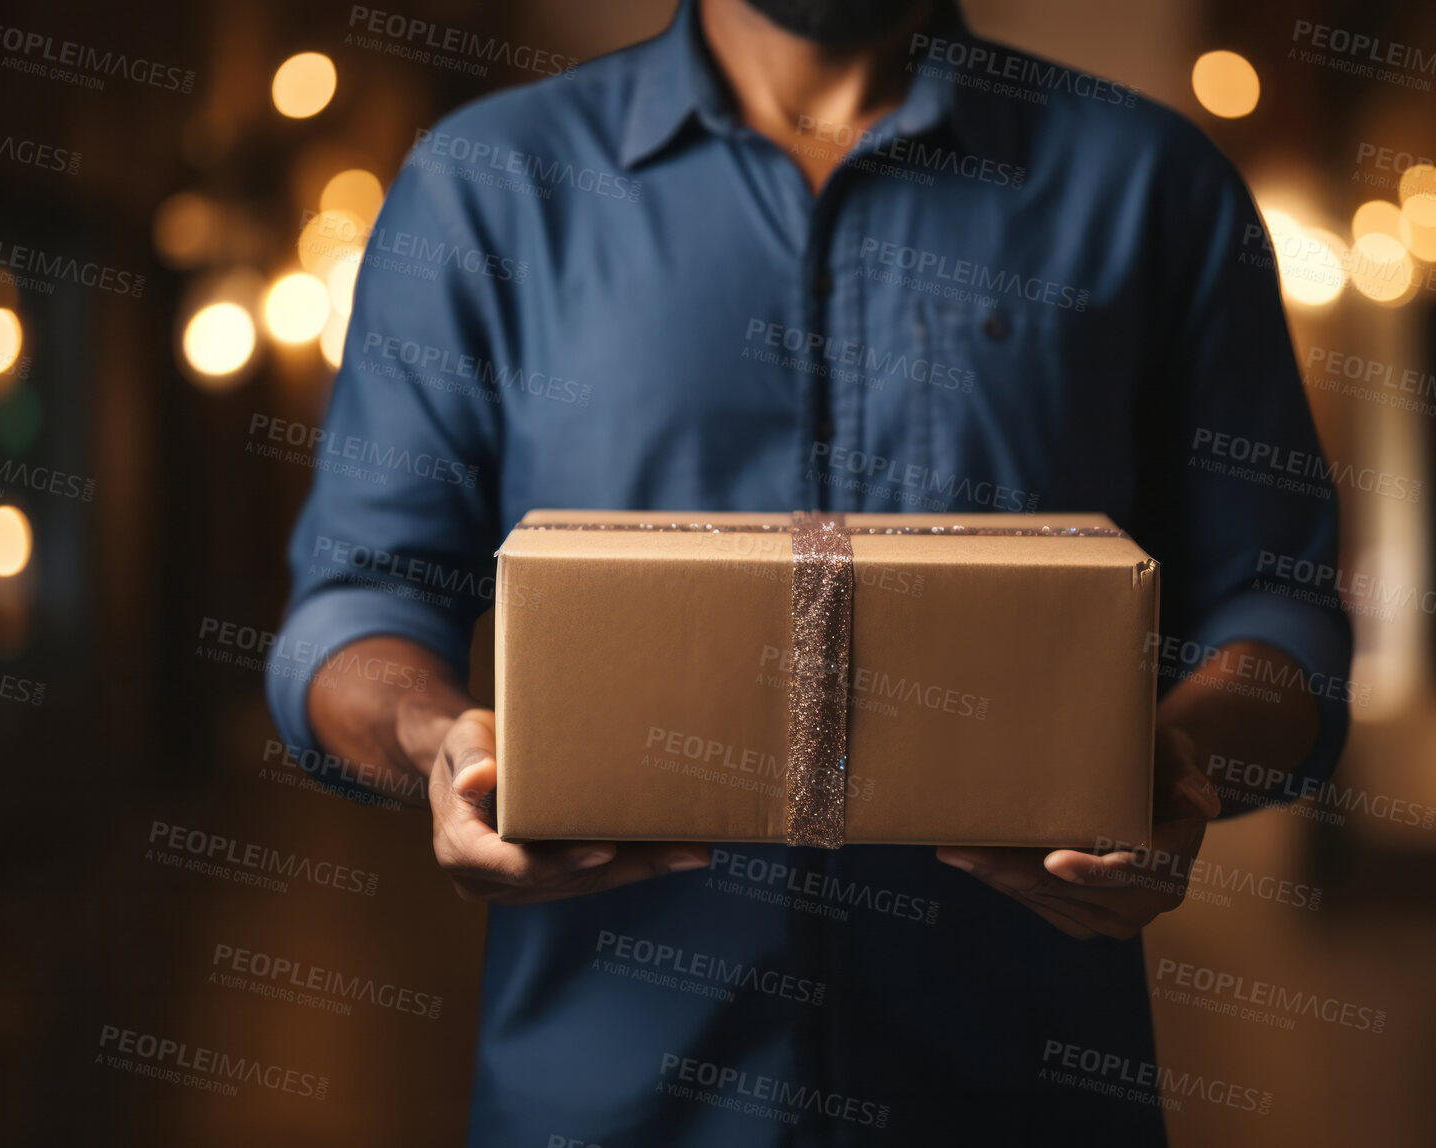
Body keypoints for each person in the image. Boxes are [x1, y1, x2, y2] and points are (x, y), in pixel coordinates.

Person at [267, 0, 1352, 1142]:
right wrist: (443, 747)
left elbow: (1279, 606)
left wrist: (1175, 765)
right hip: (603, 1106)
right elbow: (353, 605)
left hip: (1019, 1098)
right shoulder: (484, 185)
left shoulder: (1150, 186)